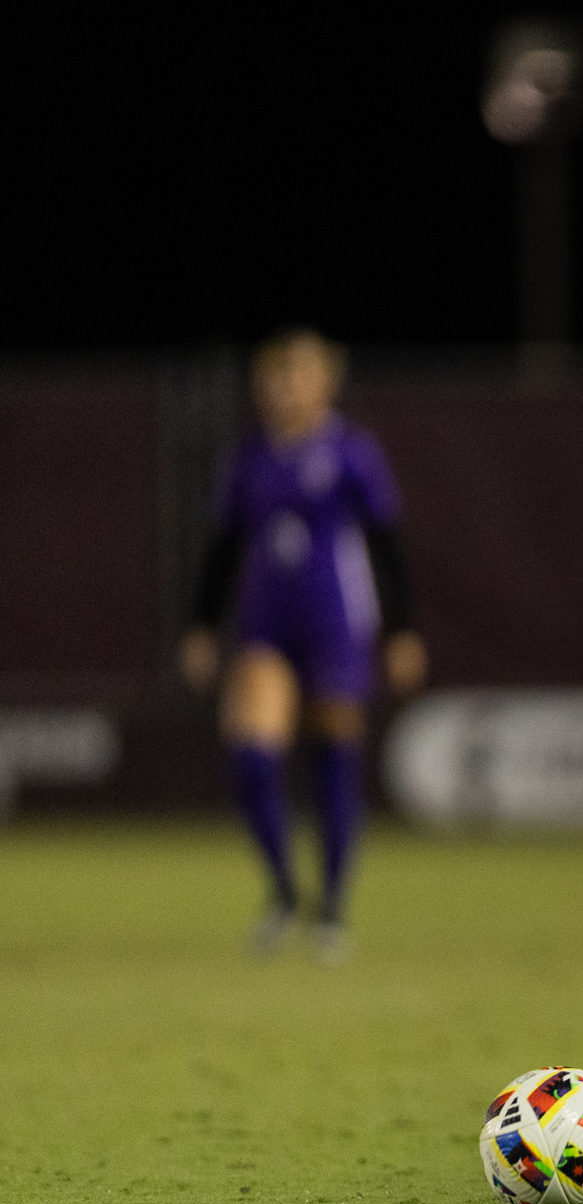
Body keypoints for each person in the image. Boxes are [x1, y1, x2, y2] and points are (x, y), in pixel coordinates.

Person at [180, 328, 427, 963]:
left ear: (325, 384)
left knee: (331, 758)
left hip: (336, 623)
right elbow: (223, 546)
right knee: (252, 759)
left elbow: (387, 545)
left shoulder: (351, 453)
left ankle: (333, 909)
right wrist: (202, 625)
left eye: (298, 375)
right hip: (265, 624)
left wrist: (401, 629)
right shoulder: (249, 458)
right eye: (274, 377)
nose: (283, 388)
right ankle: (286, 891)